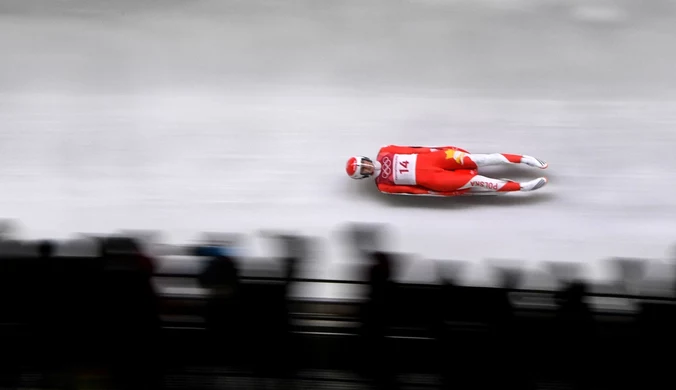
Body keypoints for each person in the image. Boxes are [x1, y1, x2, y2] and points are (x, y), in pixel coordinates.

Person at [346, 145, 548, 195]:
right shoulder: (383, 185)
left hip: (438, 158)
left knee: (482, 159)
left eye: (364, 163)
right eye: (363, 169)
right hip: (434, 179)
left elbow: (413, 149)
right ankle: (522, 187)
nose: (367, 166)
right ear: (362, 176)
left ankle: (525, 159)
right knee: (477, 180)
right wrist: (434, 192)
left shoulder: (385, 151)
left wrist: (440, 150)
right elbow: (413, 191)